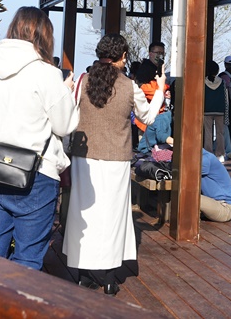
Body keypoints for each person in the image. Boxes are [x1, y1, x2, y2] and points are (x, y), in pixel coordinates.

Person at [64, 34, 165, 295]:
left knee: (83, 214)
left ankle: (83, 274)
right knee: (113, 215)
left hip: (83, 156)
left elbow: (70, 117)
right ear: (122, 57)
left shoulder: (83, 82)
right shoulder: (130, 86)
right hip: (116, 159)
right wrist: (161, 88)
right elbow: (149, 118)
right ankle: (109, 277)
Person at [0, 7, 79, 270]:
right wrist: (66, 93)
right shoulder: (46, 73)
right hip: (35, 174)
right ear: (44, 35)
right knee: (27, 258)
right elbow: (66, 124)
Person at [200, 149, 231, 222]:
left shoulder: (206, 159)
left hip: (225, 207)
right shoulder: (206, 156)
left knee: (188, 197)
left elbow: (188, 171)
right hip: (215, 202)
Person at [203, 60, 227, 160]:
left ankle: (208, 153)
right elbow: (225, 97)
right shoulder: (222, 82)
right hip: (220, 110)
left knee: (208, 133)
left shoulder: (203, 82)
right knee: (220, 133)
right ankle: (220, 154)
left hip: (207, 110)